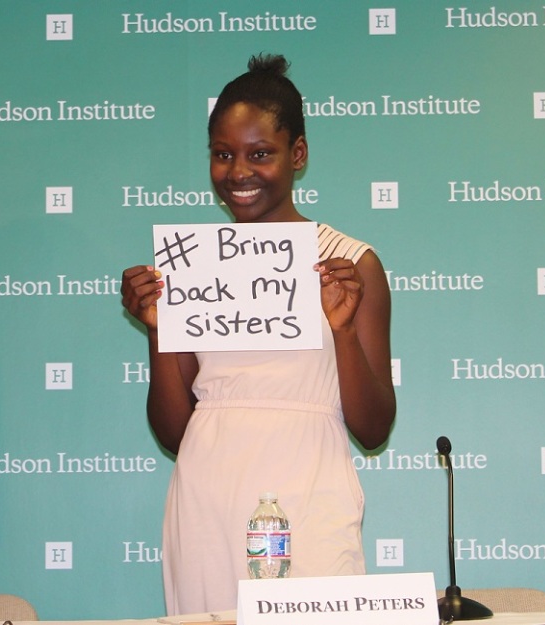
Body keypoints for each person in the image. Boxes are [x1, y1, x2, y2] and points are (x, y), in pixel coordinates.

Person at [120, 53, 396, 615]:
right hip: (207, 497)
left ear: (298, 155)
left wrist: (342, 330)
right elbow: (175, 433)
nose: (238, 172)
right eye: (223, 154)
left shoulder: (350, 263)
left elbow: (373, 427)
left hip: (311, 489)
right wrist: (157, 333)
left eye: (260, 154)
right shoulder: (192, 268)